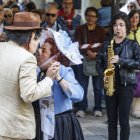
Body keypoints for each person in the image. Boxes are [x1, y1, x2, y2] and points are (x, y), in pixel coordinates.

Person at [0, 12, 59, 140]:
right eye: (37, 40)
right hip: (15, 128)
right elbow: (29, 94)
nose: (38, 45)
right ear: (31, 36)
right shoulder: (27, 58)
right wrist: (49, 78)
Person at [96, 12, 140, 140]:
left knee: (124, 122)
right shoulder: (106, 45)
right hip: (110, 85)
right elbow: (98, 63)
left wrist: (121, 60)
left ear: (126, 27)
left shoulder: (133, 45)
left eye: (121, 25)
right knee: (111, 122)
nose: (118, 28)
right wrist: (102, 74)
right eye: (115, 25)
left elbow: (138, 63)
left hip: (126, 86)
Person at [34, 28, 84, 140]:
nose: (39, 52)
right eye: (40, 49)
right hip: (40, 122)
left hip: (60, 124)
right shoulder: (36, 71)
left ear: (54, 57)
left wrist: (58, 78)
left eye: (44, 50)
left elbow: (79, 95)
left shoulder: (63, 71)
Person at [74, 6, 105, 117]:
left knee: (97, 87)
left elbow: (104, 45)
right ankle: (82, 108)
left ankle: (97, 107)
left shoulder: (101, 30)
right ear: (85, 16)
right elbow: (77, 44)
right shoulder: (80, 29)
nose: (91, 18)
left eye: (93, 16)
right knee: (83, 86)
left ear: (96, 18)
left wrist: (96, 54)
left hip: (97, 60)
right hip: (83, 59)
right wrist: (88, 52)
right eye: (89, 16)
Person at [128, 10, 140, 118]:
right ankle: (129, 107)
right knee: (131, 86)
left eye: (137, 17)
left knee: (139, 87)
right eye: (132, 17)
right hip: (130, 64)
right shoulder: (126, 32)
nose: (134, 19)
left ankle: (136, 109)